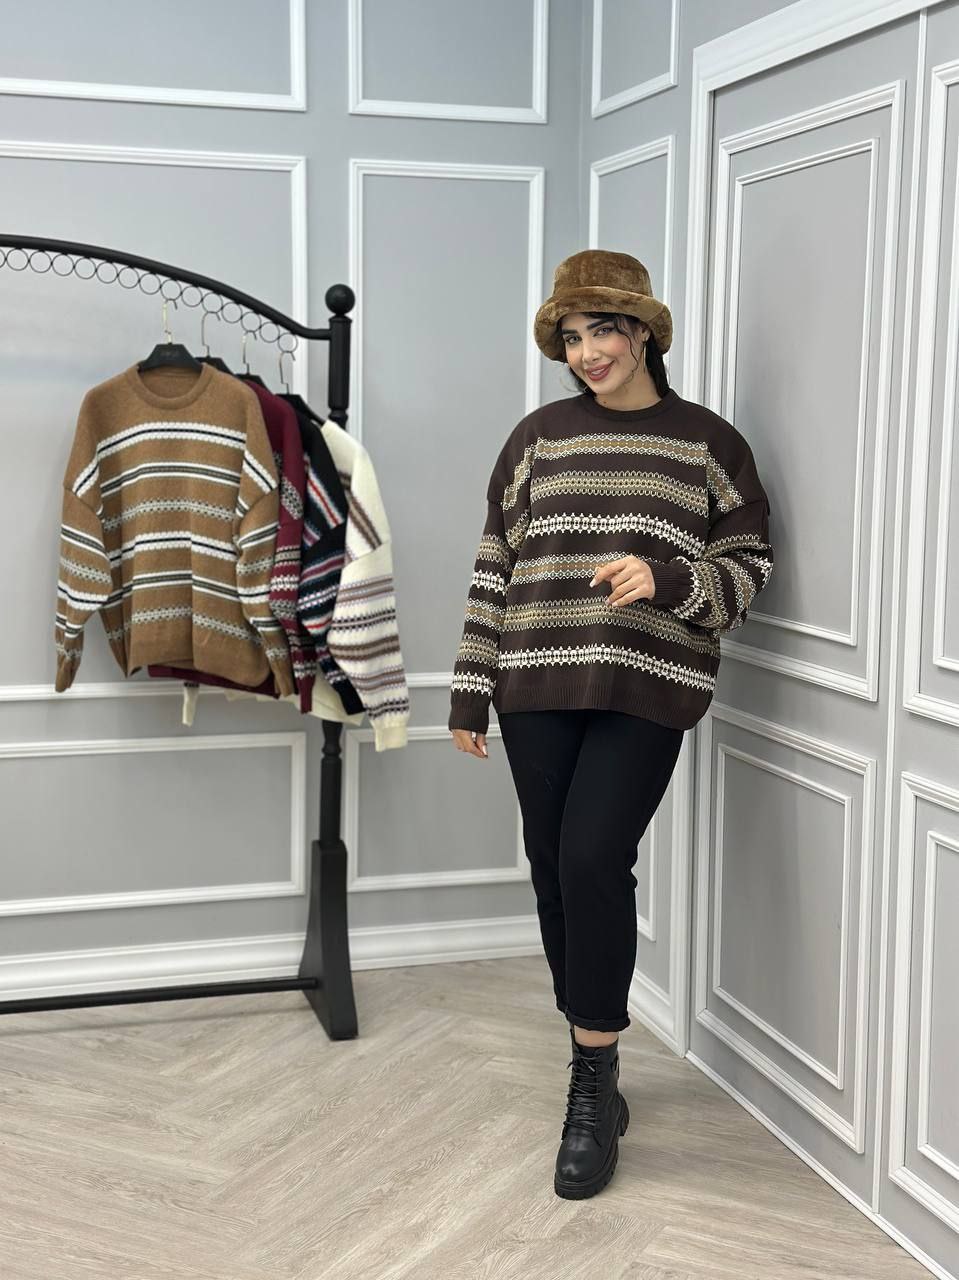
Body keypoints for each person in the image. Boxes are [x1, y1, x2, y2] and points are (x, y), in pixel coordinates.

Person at [448, 249, 775, 1199]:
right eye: (571, 336)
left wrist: (668, 579)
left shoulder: (709, 443)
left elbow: (748, 566)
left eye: (603, 330)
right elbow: (495, 564)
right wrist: (470, 687)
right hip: (532, 681)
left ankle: (592, 1082)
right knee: (553, 865)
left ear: (642, 333)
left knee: (594, 857)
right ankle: (591, 1044)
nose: (586, 352)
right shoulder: (536, 438)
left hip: (645, 681)